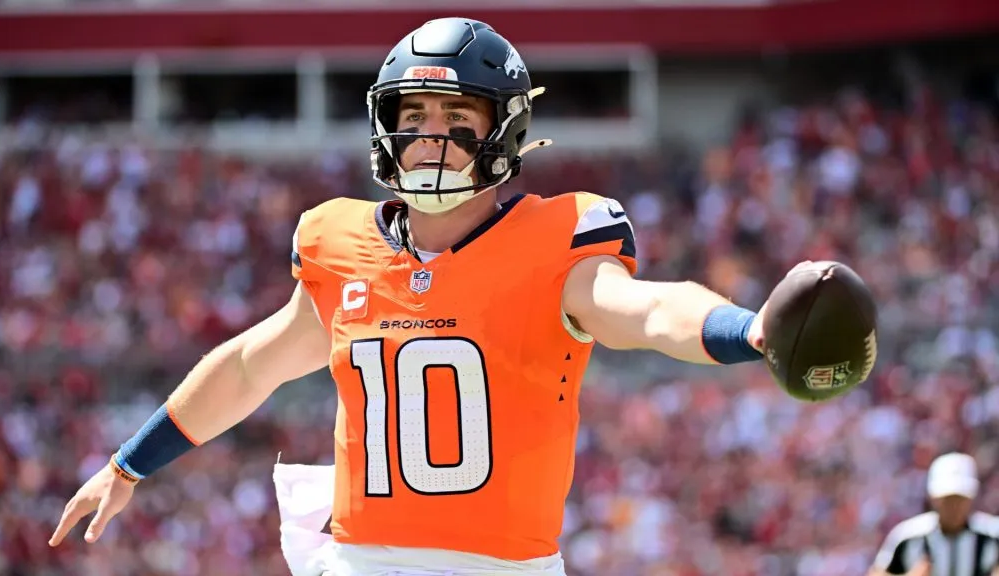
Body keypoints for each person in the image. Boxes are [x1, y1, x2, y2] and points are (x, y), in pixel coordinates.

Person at [49, 17, 794, 575]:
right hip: (360, 563)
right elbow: (251, 365)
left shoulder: (558, 237)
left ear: (502, 132)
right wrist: (127, 467)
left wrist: (746, 328)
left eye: (456, 120)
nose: (429, 139)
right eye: (414, 119)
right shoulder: (340, 243)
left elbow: (649, 310)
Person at [869, 452, 999, 576]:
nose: (953, 506)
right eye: (947, 499)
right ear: (932, 498)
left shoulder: (992, 535)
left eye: (959, 499)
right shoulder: (909, 536)